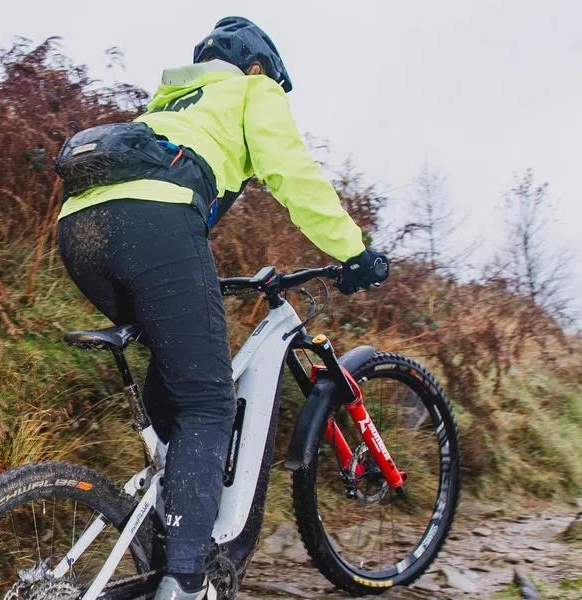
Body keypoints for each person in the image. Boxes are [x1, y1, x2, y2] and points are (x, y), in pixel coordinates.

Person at [55, 16, 388, 600]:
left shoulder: (172, 104)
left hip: (80, 231)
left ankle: (167, 531)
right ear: (259, 67)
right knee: (209, 405)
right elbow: (294, 174)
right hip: (153, 223)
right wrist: (354, 251)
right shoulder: (252, 87)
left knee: (179, 389)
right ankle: (184, 581)